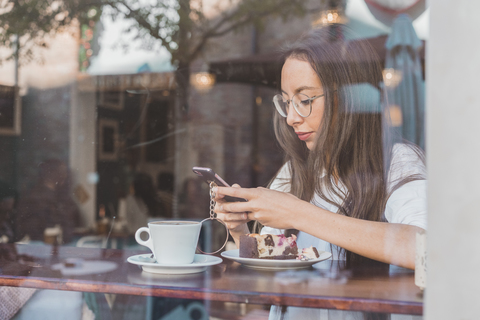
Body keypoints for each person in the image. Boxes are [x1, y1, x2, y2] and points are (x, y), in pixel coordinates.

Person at [213, 28, 426, 319]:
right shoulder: (297, 168)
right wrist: (240, 232)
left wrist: (299, 214)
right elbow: (281, 257)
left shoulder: (397, 161)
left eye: (305, 100)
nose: (291, 117)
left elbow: (430, 251)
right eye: (287, 101)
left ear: (348, 98)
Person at [15, 159, 80, 244]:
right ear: (54, 173)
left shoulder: (61, 196)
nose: (66, 175)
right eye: (63, 172)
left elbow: (73, 218)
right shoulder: (35, 198)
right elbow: (31, 229)